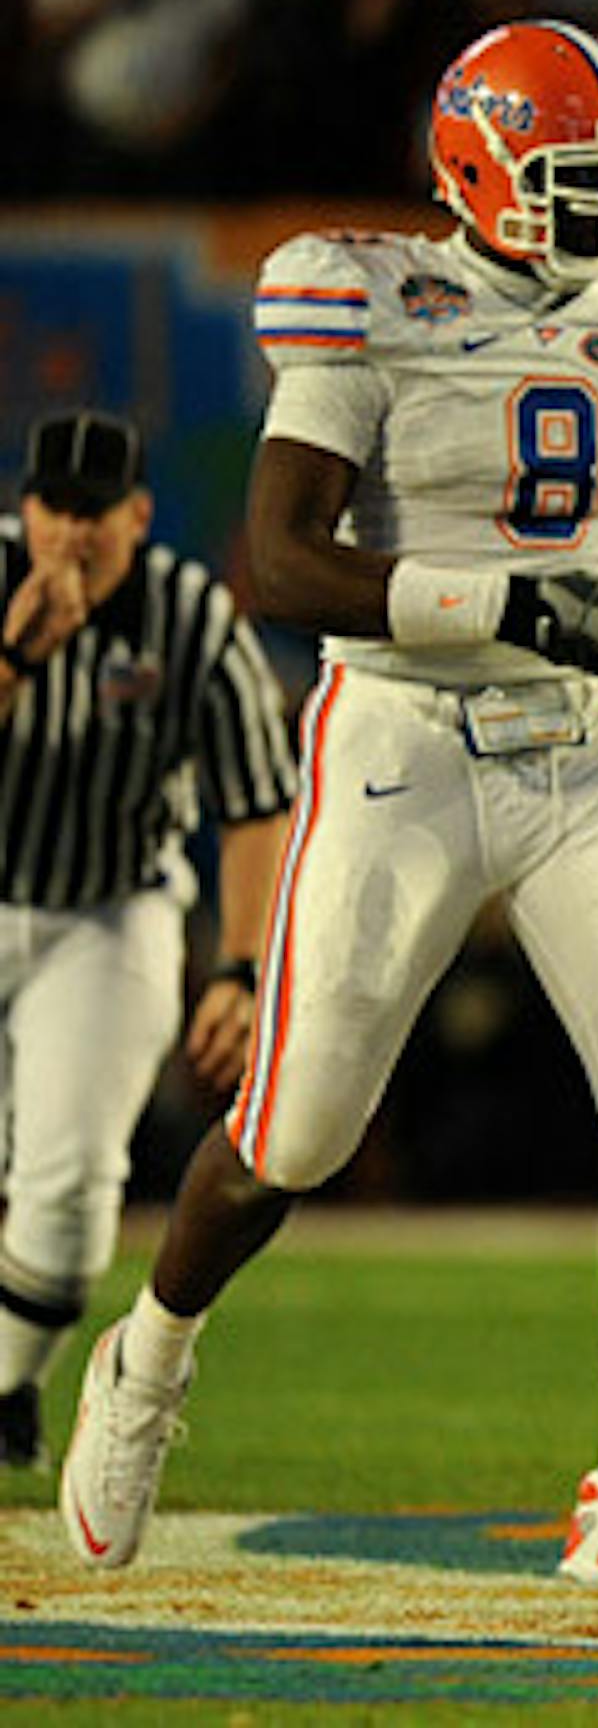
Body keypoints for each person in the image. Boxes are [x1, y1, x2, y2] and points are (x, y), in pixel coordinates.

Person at [58, 19, 598, 1589]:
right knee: (297, 1128)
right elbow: (284, 561)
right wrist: (505, 602)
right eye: (577, 179)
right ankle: (149, 1357)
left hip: (590, 741)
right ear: (479, 172)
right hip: (403, 737)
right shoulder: (367, 296)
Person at [0, 409, 295, 1468]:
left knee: (72, 1172)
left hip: (110, 908)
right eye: (55, 507)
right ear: (26, 507)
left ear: (138, 514)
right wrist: (15, 657)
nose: (72, 532)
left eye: (96, 511)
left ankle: (8, 1385)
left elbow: (258, 801)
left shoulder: (189, 616)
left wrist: (242, 967)